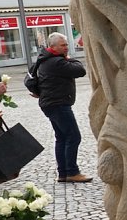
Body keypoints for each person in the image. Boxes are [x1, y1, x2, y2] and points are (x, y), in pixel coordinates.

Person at [30, 32, 91, 183]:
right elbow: (80, 70)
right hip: (58, 104)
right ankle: (71, 172)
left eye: (66, 45)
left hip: (52, 104)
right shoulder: (56, 62)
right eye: (63, 45)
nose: (66, 48)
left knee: (62, 138)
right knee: (73, 136)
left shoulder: (45, 59)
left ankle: (63, 173)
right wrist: (69, 59)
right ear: (53, 47)